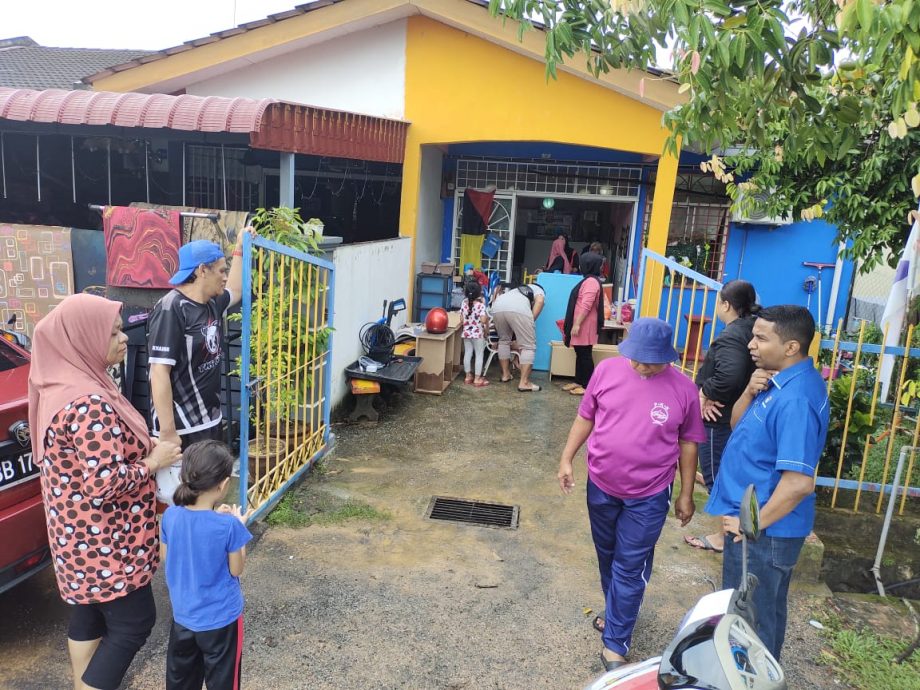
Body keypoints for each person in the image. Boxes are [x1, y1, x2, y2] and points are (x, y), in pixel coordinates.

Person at [28, 294, 182, 690]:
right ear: (82, 339)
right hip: (106, 545)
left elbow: (90, 458)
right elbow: (105, 483)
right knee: (134, 624)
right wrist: (154, 460)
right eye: (112, 332)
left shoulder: (59, 385)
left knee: (88, 614)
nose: (124, 338)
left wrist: (141, 444)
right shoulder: (88, 403)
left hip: (74, 539)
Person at [558, 318, 705, 671]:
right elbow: (585, 417)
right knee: (608, 555)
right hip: (602, 484)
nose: (641, 366)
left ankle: (615, 644)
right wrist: (566, 459)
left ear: (668, 357)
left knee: (630, 564)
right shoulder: (607, 371)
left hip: (650, 493)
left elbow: (688, 444)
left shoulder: (684, 389)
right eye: (637, 358)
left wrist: (686, 494)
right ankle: (617, 613)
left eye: (651, 361)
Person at [705, 305, 829, 660]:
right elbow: (738, 425)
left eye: (761, 338)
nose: (751, 345)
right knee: (760, 613)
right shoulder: (776, 382)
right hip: (758, 526)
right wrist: (747, 392)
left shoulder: (796, 399)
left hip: (764, 532)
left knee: (749, 621)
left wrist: (749, 523)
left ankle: (751, 679)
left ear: (791, 347)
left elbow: (798, 484)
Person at [148, 230, 251, 503]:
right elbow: (159, 372)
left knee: (207, 496)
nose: (225, 276)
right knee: (178, 500)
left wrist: (239, 248)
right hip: (180, 427)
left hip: (209, 418)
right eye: (220, 270)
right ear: (202, 270)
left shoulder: (212, 303)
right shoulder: (172, 308)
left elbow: (238, 290)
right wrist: (168, 432)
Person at [161, 440, 253, 690]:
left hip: (183, 617)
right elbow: (236, 569)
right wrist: (238, 524)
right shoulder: (229, 526)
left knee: (182, 681)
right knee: (223, 683)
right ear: (223, 484)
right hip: (221, 620)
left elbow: (166, 558)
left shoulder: (170, 515)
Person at [684, 280, 759, 554]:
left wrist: (706, 393)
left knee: (720, 477)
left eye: (719, 301)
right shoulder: (754, 327)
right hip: (738, 413)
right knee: (728, 471)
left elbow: (730, 376)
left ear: (726, 305)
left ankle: (723, 537)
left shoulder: (731, 336)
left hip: (719, 417)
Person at [562, 252, 605, 396]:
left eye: (582, 263)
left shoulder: (591, 282)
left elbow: (586, 304)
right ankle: (579, 381)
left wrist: (577, 324)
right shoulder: (588, 280)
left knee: (585, 354)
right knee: (580, 353)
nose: (579, 265)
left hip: (585, 324)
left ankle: (587, 386)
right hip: (581, 322)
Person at [491, 281, 545, 392]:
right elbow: (540, 301)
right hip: (517, 308)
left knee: (504, 341)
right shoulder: (539, 290)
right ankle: (524, 383)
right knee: (528, 345)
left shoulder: (516, 290)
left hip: (497, 306)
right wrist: (531, 320)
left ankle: (505, 375)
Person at [461, 280, 490, 387]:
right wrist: (486, 320)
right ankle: (477, 379)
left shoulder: (464, 304)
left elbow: (461, 319)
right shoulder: (481, 305)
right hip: (478, 334)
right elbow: (483, 321)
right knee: (479, 355)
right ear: (479, 292)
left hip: (466, 334)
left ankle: (468, 376)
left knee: (468, 353)